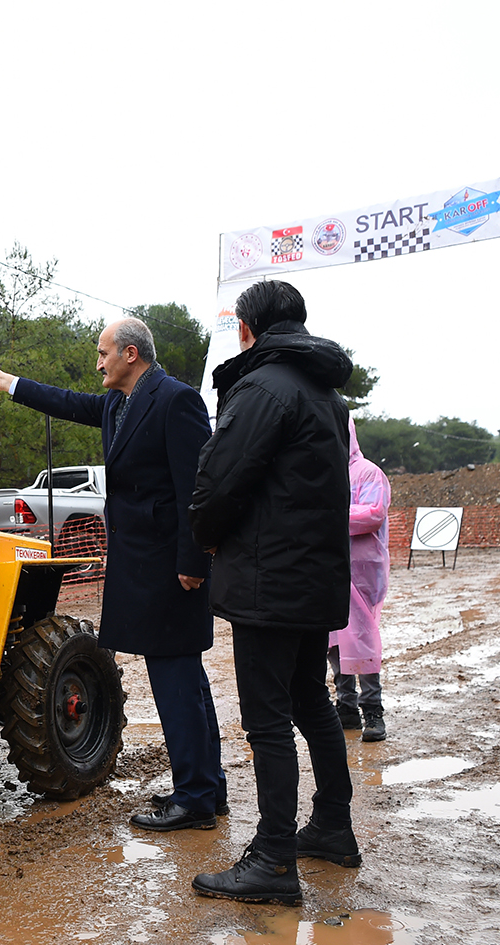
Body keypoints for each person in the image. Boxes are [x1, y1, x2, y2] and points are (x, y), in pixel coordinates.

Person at [0, 317, 225, 831]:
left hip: (171, 568)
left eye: (102, 353)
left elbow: (197, 490)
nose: (97, 363)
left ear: (131, 354)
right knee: (181, 677)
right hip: (142, 564)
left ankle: (197, 799)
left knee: (177, 681)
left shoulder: (176, 400)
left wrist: (193, 561)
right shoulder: (118, 402)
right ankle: (205, 786)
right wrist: (11, 384)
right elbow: (66, 402)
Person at [188, 279, 357, 904]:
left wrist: (205, 537)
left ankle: (274, 859)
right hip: (310, 575)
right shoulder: (324, 391)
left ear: (246, 328)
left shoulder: (263, 387)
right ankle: (333, 825)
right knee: (311, 700)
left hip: (269, 578)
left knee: (267, 719)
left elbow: (221, 479)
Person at [327, 416, 392, 742]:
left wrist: (329, 516)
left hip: (363, 572)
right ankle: (347, 706)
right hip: (330, 568)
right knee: (334, 640)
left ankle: (372, 710)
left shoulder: (368, 472)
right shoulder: (324, 472)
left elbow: (373, 514)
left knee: (362, 639)